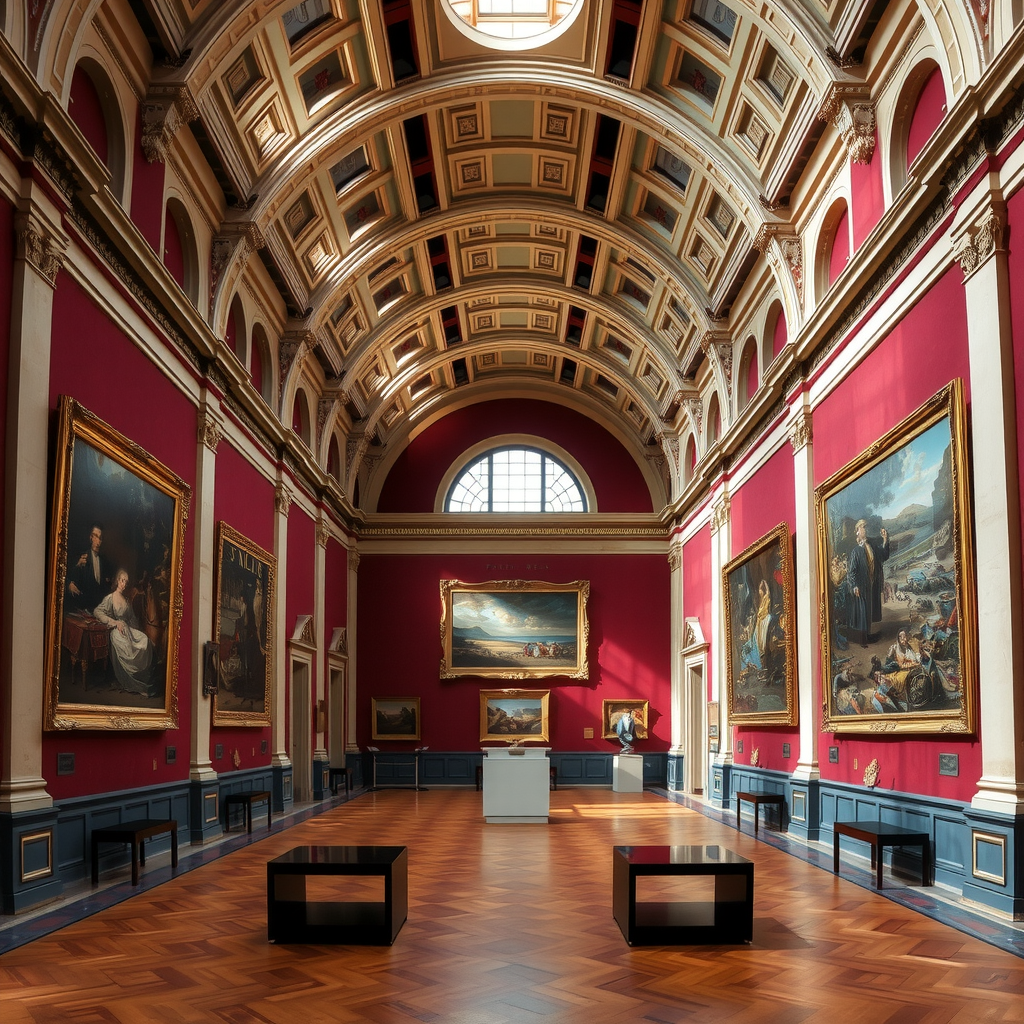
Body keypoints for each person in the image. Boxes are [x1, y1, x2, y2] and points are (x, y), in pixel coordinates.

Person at [93, 569, 155, 696]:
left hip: (128, 629)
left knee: (144, 639)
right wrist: (115, 623)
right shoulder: (110, 598)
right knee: (126, 646)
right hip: (116, 630)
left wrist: (136, 632)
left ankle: (142, 676)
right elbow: (97, 612)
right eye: (122, 581)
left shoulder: (126, 600)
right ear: (117, 581)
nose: (124, 584)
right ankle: (133, 683)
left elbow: (132, 618)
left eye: (126, 582)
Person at [846, 518, 889, 645]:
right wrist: (854, 586)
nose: (865, 528)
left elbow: (883, 556)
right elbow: (851, 571)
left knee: (868, 612)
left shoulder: (871, 546)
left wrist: (885, 539)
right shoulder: (856, 551)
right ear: (857, 531)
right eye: (863, 527)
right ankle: (862, 639)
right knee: (862, 613)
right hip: (860, 585)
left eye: (865, 526)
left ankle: (867, 636)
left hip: (870, 585)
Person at [67, 522, 113, 612]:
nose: (98, 541)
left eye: (100, 538)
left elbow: (105, 587)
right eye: (95, 536)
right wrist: (69, 584)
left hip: (98, 610)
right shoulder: (81, 557)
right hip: (82, 608)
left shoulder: (104, 562)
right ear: (90, 537)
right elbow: (67, 576)